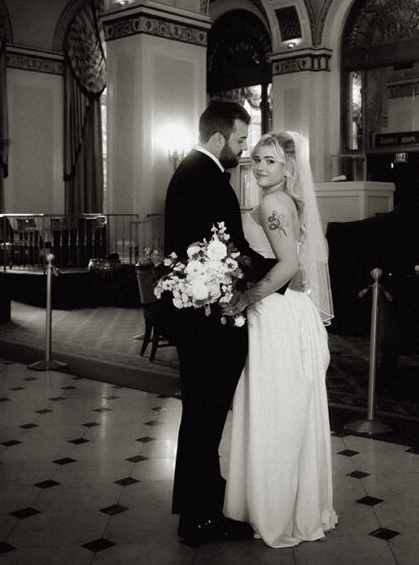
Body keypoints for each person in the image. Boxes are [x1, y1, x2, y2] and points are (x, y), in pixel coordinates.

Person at [161, 101, 274, 547]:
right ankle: (198, 518)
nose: (244, 151)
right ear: (219, 138)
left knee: (202, 419)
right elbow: (230, 251)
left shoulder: (192, 171)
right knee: (204, 420)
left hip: (199, 316)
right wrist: (281, 275)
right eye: (242, 140)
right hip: (208, 322)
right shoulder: (203, 176)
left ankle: (203, 505)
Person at [223, 131, 338, 548]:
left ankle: (279, 510)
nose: (260, 166)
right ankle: (286, 504)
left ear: (288, 168)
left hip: (279, 314)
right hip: (281, 311)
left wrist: (243, 300)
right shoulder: (274, 202)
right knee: (281, 413)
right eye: (257, 158)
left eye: (270, 160)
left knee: (278, 414)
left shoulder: (274, 203)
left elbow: (288, 265)